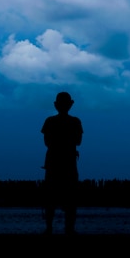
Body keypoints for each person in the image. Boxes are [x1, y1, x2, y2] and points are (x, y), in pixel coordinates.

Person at [41, 91, 83, 234]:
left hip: (54, 162)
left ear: (56, 105)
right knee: (70, 199)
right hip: (67, 163)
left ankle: (49, 228)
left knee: (51, 199)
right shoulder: (75, 122)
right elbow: (78, 141)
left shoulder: (50, 121)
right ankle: (69, 228)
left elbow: (47, 142)